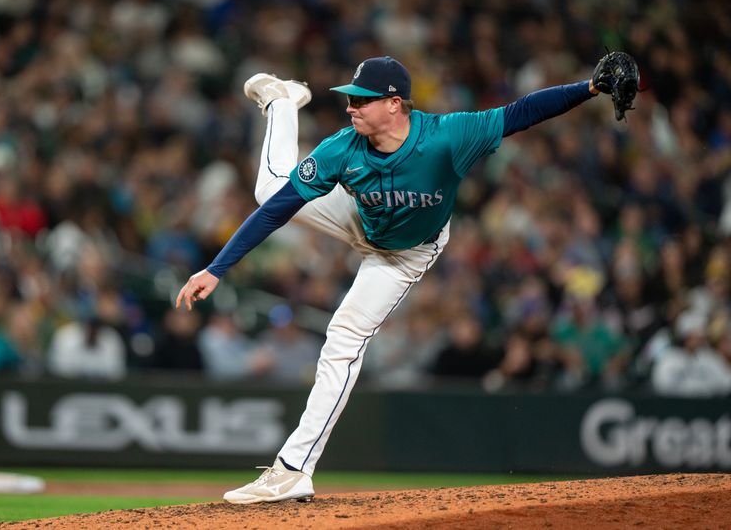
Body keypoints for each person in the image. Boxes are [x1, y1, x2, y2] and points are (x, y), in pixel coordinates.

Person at [176, 55, 613, 503]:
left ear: (394, 103)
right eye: (350, 99)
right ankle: (283, 101)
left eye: (361, 100)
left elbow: (523, 112)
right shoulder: (342, 147)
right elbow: (275, 211)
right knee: (270, 190)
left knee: (344, 335)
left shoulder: (447, 136)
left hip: (405, 253)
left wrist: (590, 89)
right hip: (358, 221)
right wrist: (216, 268)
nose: (351, 107)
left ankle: (292, 468)